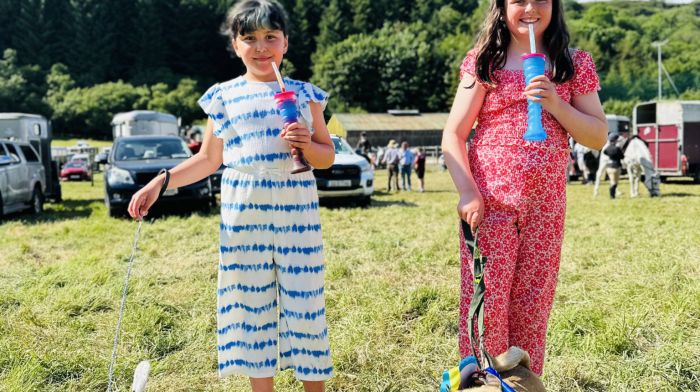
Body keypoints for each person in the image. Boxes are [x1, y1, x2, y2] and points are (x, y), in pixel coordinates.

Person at [127, 1, 334, 391]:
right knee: (252, 305)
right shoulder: (224, 96)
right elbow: (207, 160)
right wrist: (161, 181)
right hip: (244, 212)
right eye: (249, 38)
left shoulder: (306, 96)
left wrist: (307, 144)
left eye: (270, 37)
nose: (261, 47)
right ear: (235, 46)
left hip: (297, 212)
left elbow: (326, 158)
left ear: (285, 43)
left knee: (305, 305)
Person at [441, 0, 607, 376]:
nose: (531, 8)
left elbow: (597, 135)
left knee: (533, 306)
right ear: (500, 7)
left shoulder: (572, 64)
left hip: (545, 208)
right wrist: (467, 191)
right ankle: (483, 382)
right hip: (491, 204)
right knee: (488, 303)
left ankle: (523, 384)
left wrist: (556, 103)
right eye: (518, 0)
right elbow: (453, 134)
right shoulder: (485, 61)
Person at [603, 133, 624, 199]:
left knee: (612, 181)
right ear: (615, 140)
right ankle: (612, 195)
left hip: (609, 167)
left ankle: (612, 195)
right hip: (616, 166)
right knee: (615, 182)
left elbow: (605, 152)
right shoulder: (617, 148)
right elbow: (622, 157)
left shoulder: (607, 148)